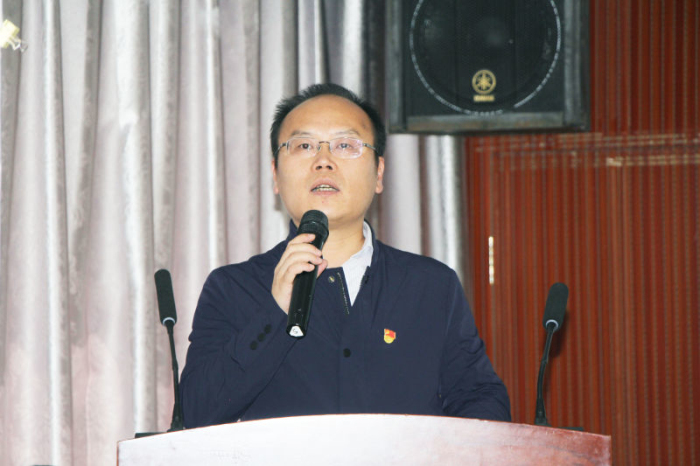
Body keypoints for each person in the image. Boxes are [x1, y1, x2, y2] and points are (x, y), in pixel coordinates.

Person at [180, 83, 511, 428]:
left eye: (345, 145)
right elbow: (195, 414)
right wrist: (275, 312)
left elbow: (481, 400)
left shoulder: (431, 286)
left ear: (378, 173)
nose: (323, 161)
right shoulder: (232, 288)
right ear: (275, 175)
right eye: (304, 145)